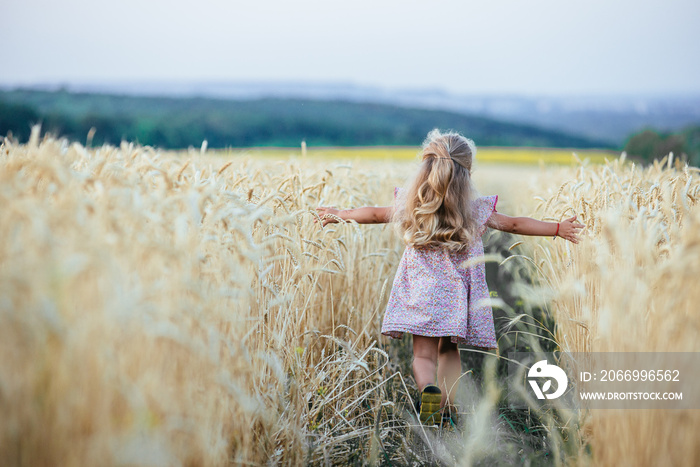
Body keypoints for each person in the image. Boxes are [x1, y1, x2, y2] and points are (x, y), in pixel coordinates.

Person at [315, 129, 583, 426]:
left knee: (423, 354)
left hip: (420, 291)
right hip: (455, 294)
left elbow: (376, 215)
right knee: (449, 349)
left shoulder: (412, 204)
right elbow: (516, 224)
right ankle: (447, 406)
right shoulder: (474, 209)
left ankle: (427, 389)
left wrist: (340, 213)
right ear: (466, 174)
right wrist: (557, 228)